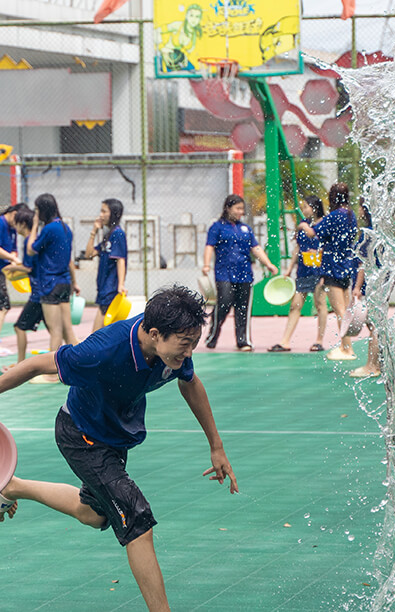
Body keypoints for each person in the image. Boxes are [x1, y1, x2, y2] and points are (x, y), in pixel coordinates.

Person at [0, 284, 238, 611]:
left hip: (114, 438)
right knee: (137, 519)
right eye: (185, 345)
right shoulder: (102, 350)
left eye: (194, 344)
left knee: (95, 514)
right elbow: (37, 366)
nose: (188, 353)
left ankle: (11, 487)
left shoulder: (173, 348)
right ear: (154, 334)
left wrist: (216, 445)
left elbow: (191, 384)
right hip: (81, 435)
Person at [202, 194, 278, 351]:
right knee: (224, 304)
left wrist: (269, 264)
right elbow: (209, 246)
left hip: (244, 274)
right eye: (237, 208)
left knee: (243, 308)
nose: (240, 212)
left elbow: (255, 248)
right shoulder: (217, 227)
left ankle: (243, 340)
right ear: (228, 208)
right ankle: (212, 335)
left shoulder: (245, 229)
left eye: (242, 209)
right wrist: (206, 265)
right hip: (224, 273)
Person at [268, 195, 328, 353]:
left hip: (319, 271)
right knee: (295, 305)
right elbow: (297, 248)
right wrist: (288, 270)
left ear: (315, 207)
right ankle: (285, 341)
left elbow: (328, 247)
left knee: (320, 305)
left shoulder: (325, 223)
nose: (303, 210)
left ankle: (319, 340)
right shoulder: (303, 224)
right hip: (303, 271)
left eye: (306, 207)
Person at [27, 193, 80, 356]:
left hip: (50, 284)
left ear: (43, 211)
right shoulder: (65, 228)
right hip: (65, 283)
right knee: (68, 331)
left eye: (37, 210)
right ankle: (80, 364)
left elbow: (30, 250)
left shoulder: (48, 229)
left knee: (55, 330)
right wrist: (74, 282)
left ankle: (52, 371)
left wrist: (35, 226)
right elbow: (69, 260)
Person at [310, 183, 358, 361]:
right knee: (346, 309)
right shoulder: (350, 215)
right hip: (346, 266)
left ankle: (347, 348)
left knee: (340, 311)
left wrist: (302, 227)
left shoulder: (333, 216)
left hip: (332, 268)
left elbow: (313, 233)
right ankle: (347, 345)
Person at [5, 207, 45, 367]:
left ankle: (21, 364)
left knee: (19, 327)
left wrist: (12, 268)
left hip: (39, 294)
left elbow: (28, 269)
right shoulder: (35, 241)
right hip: (44, 291)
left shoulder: (30, 242)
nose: (15, 227)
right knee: (60, 330)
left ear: (23, 224)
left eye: (17, 223)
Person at [84, 198, 127, 331]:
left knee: (98, 334)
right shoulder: (108, 235)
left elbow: (120, 259)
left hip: (111, 289)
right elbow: (89, 254)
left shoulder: (118, 234)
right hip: (103, 289)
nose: (100, 215)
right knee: (99, 334)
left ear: (113, 213)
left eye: (104, 211)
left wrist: (120, 284)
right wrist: (94, 232)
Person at [348, 201, 381, 378]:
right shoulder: (380, 232)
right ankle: (381, 365)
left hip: (370, 285)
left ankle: (371, 366)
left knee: (374, 325)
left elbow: (363, 264)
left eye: (360, 206)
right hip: (380, 284)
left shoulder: (367, 235)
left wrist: (357, 287)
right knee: (377, 325)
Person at [0, 203, 25, 355]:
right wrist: (12, 259)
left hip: (3, 270)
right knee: (3, 306)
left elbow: (13, 250)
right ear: (14, 213)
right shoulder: (1, 223)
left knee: (3, 306)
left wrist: (14, 259)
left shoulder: (12, 228)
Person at [158, 3, 203, 73]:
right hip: (168, 59)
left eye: (197, 17)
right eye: (191, 15)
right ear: (186, 16)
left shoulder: (195, 33)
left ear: (200, 19)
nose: (193, 19)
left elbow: (186, 51)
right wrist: (162, 49)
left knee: (195, 72)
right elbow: (158, 31)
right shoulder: (178, 25)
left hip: (180, 60)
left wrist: (185, 57)